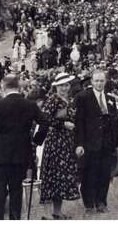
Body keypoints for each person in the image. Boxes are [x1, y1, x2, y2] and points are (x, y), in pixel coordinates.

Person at [0, 74, 48, 220]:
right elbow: (45, 123)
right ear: (19, 87)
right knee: (16, 191)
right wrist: (36, 140)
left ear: (3, 87)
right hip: (21, 153)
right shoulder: (29, 104)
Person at [75, 70, 118, 214]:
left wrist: (117, 144)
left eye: (102, 81)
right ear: (91, 82)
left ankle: (101, 202)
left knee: (104, 174)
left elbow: (115, 123)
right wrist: (79, 144)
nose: (99, 83)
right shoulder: (82, 97)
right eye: (96, 81)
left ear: (105, 81)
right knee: (89, 175)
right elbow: (79, 122)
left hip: (107, 144)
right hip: (89, 144)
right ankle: (89, 205)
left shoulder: (110, 99)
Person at [38, 72, 80, 220]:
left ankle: (57, 212)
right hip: (55, 142)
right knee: (53, 176)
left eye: (66, 85)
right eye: (61, 85)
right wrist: (63, 124)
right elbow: (45, 119)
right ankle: (47, 214)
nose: (64, 88)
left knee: (61, 177)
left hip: (66, 142)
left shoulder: (67, 99)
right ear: (56, 86)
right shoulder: (52, 99)